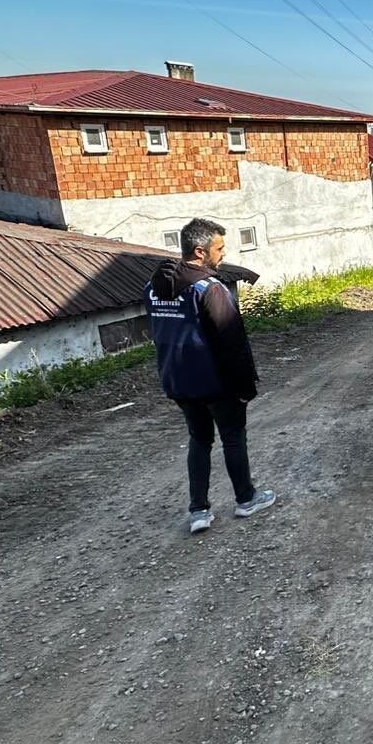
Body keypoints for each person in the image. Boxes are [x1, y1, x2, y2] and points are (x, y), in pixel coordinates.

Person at [146, 217, 277, 534]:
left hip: (178, 382)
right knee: (233, 437)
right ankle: (246, 499)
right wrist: (245, 387)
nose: (223, 253)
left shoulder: (152, 288)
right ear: (200, 251)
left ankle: (199, 511)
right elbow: (231, 342)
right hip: (216, 384)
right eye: (219, 248)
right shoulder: (209, 289)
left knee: (199, 439)